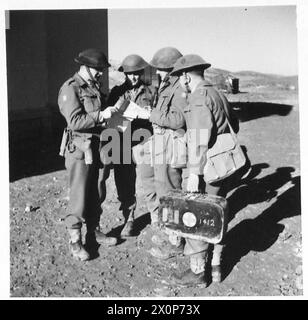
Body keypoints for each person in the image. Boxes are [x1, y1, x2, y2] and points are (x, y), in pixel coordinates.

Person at [168, 54, 239, 285]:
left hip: (207, 166)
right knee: (219, 212)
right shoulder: (217, 92)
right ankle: (216, 265)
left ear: (186, 76)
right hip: (225, 164)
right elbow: (234, 124)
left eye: (179, 77)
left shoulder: (198, 98)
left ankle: (198, 271)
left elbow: (199, 139)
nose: (179, 82)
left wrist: (194, 174)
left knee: (198, 215)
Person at [58, 48, 118, 261]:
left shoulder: (94, 87)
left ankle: (94, 230)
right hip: (81, 150)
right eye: (98, 69)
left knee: (97, 191)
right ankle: (75, 240)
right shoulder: (71, 88)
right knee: (79, 195)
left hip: (98, 147)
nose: (101, 73)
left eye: (102, 69)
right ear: (85, 67)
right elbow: (74, 121)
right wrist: (101, 115)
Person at [135, 47, 188, 258]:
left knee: (171, 190)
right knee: (160, 186)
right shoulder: (167, 86)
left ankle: (176, 241)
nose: (158, 73)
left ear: (172, 69)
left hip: (170, 144)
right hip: (161, 142)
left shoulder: (179, 89)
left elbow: (178, 120)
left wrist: (152, 116)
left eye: (162, 69)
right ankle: (169, 231)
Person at [104, 54, 156, 237]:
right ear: (124, 74)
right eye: (129, 74)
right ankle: (129, 217)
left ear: (141, 73)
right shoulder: (117, 92)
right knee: (124, 182)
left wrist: (151, 114)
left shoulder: (151, 92)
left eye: (136, 73)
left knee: (149, 181)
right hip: (122, 141)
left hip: (143, 142)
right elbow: (107, 116)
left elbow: (157, 116)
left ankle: (157, 219)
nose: (133, 77)